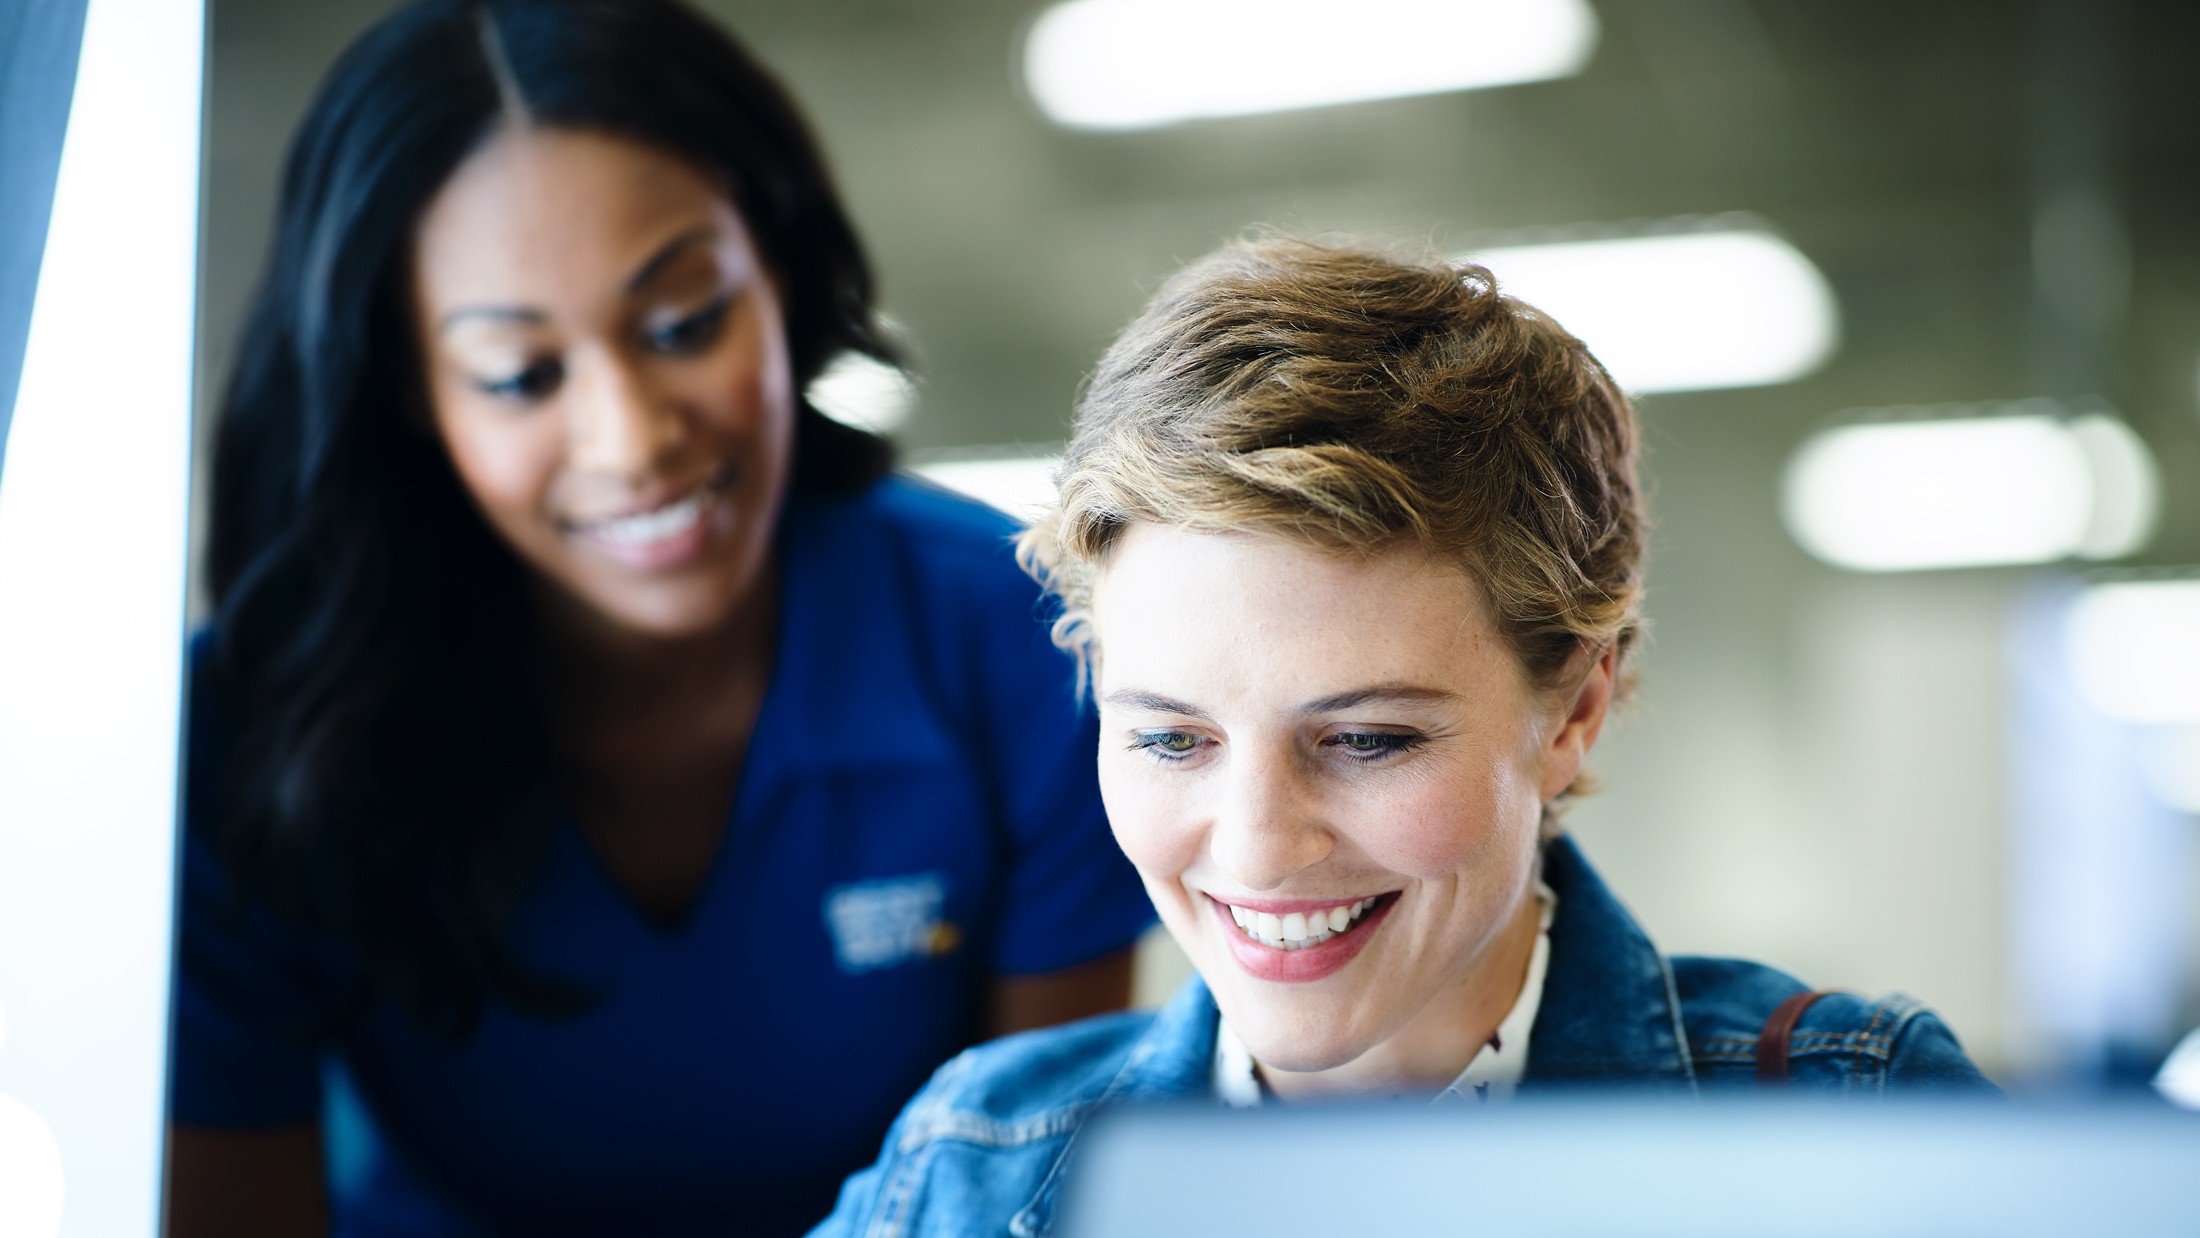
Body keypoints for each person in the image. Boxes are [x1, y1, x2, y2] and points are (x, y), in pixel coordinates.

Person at [168, 1, 1153, 1233]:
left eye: (684, 322)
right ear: (406, 391)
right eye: (522, 375)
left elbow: (1030, 1190)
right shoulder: (245, 737)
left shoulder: (1021, 641)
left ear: (779, 277)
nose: (632, 440)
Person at [813, 235, 1997, 1236]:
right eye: (1173, 741)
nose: (1259, 847)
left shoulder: (1853, 1128)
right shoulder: (972, 1166)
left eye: (1368, 739)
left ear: (1572, 710)